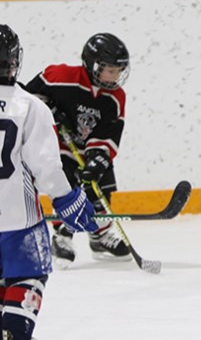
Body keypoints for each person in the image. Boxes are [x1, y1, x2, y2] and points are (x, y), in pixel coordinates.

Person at [0, 25, 99, 340]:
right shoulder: (30, 106)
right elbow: (45, 166)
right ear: (15, 62)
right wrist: (69, 200)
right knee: (30, 274)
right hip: (17, 216)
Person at [23, 33, 132, 264]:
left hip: (87, 147)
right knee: (68, 185)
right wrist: (47, 108)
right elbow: (27, 97)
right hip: (58, 145)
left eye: (118, 71)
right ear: (92, 65)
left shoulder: (115, 97)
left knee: (101, 183)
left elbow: (109, 133)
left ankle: (100, 235)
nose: (115, 76)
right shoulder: (59, 76)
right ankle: (63, 234)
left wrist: (98, 157)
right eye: (109, 70)